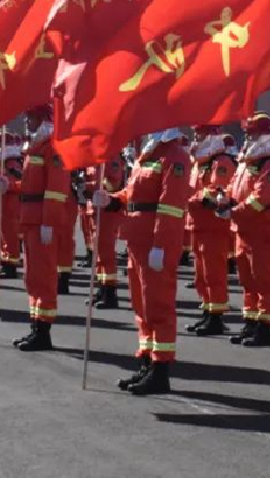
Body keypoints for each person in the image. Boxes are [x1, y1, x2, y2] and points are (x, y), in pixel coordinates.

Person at [109, 127, 191, 395]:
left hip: (155, 240)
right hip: (137, 237)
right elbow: (135, 194)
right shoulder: (149, 152)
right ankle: (146, 361)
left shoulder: (175, 154)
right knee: (141, 304)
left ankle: (161, 371)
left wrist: (161, 245)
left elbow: (171, 205)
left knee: (158, 304)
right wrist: (112, 200)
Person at [220, 113, 270, 347]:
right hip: (244, 229)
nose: (249, 137)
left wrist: (234, 211)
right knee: (247, 280)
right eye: (248, 133)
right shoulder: (248, 162)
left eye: (253, 133)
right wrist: (224, 200)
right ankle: (250, 322)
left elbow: (260, 199)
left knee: (264, 281)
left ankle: (265, 328)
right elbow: (233, 187)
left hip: (262, 230)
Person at [8, 106, 71, 351]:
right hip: (31, 219)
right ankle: (35, 324)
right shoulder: (35, 146)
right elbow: (31, 185)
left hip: (42, 221)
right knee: (32, 276)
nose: (26, 120)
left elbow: (56, 189)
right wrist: (10, 185)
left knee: (44, 276)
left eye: (30, 117)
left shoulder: (53, 147)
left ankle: (43, 330)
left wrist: (49, 222)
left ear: (43, 119)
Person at [182, 125, 236, 334]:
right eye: (196, 133)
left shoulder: (220, 162)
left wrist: (192, 199)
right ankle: (206, 311)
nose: (196, 137)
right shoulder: (200, 163)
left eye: (201, 133)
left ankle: (216, 318)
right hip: (198, 224)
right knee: (201, 275)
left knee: (214, 273)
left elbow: (216, 192)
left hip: (213, 226)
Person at [87, 156, 128, 310]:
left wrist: (91, 186)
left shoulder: (112, 158)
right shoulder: (94, 159)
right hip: (95, 209)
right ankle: (102, 289)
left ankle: (110, 293)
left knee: (106, 254)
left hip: (107, 211)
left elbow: (114, 184)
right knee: (98, 254)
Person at [0, 135, 23, 280]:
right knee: (2, 235)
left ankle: (11, 265)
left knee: (9, 234)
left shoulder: (12, 163)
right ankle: (5, 261)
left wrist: (9, 185)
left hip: (9, 203)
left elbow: (21, 182)